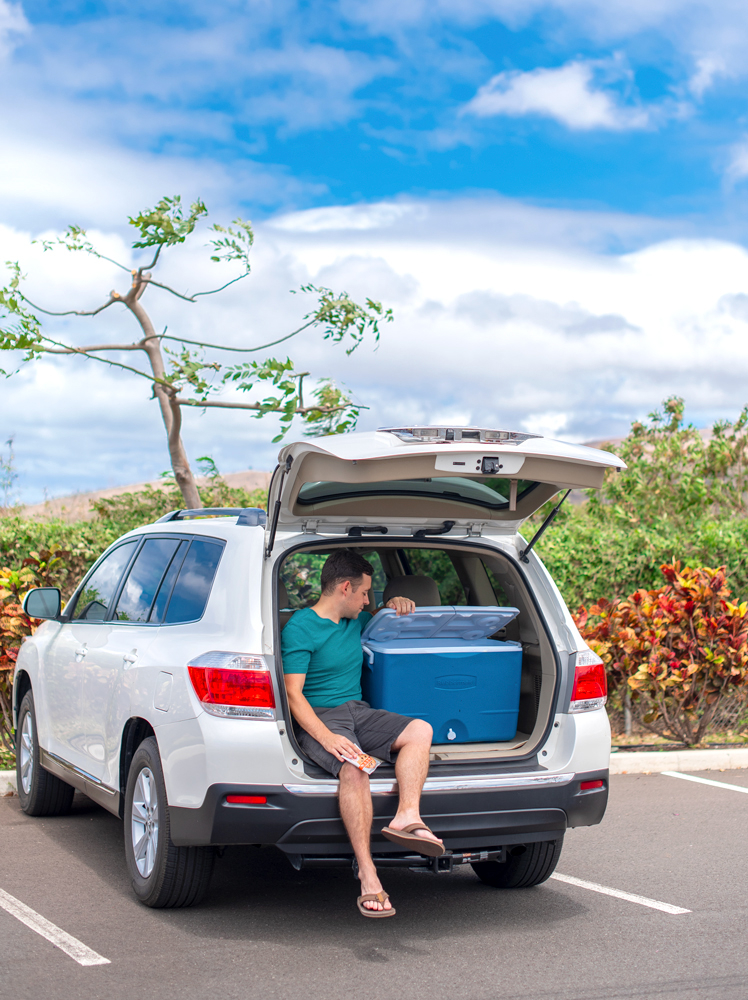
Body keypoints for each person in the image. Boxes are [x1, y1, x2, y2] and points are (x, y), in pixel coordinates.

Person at [281, 549, 444, 918]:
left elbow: (385, 618)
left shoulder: (358, 619)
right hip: (322, 717)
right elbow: (293, 695)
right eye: (365, 593)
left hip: (358, 711)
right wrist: (326, 738)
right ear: (344, 588)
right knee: (354, 767)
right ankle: (369, 874)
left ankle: (407, 817)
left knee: (420, 729)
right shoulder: (300, 628)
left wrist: (394, 603)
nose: (367, 600)